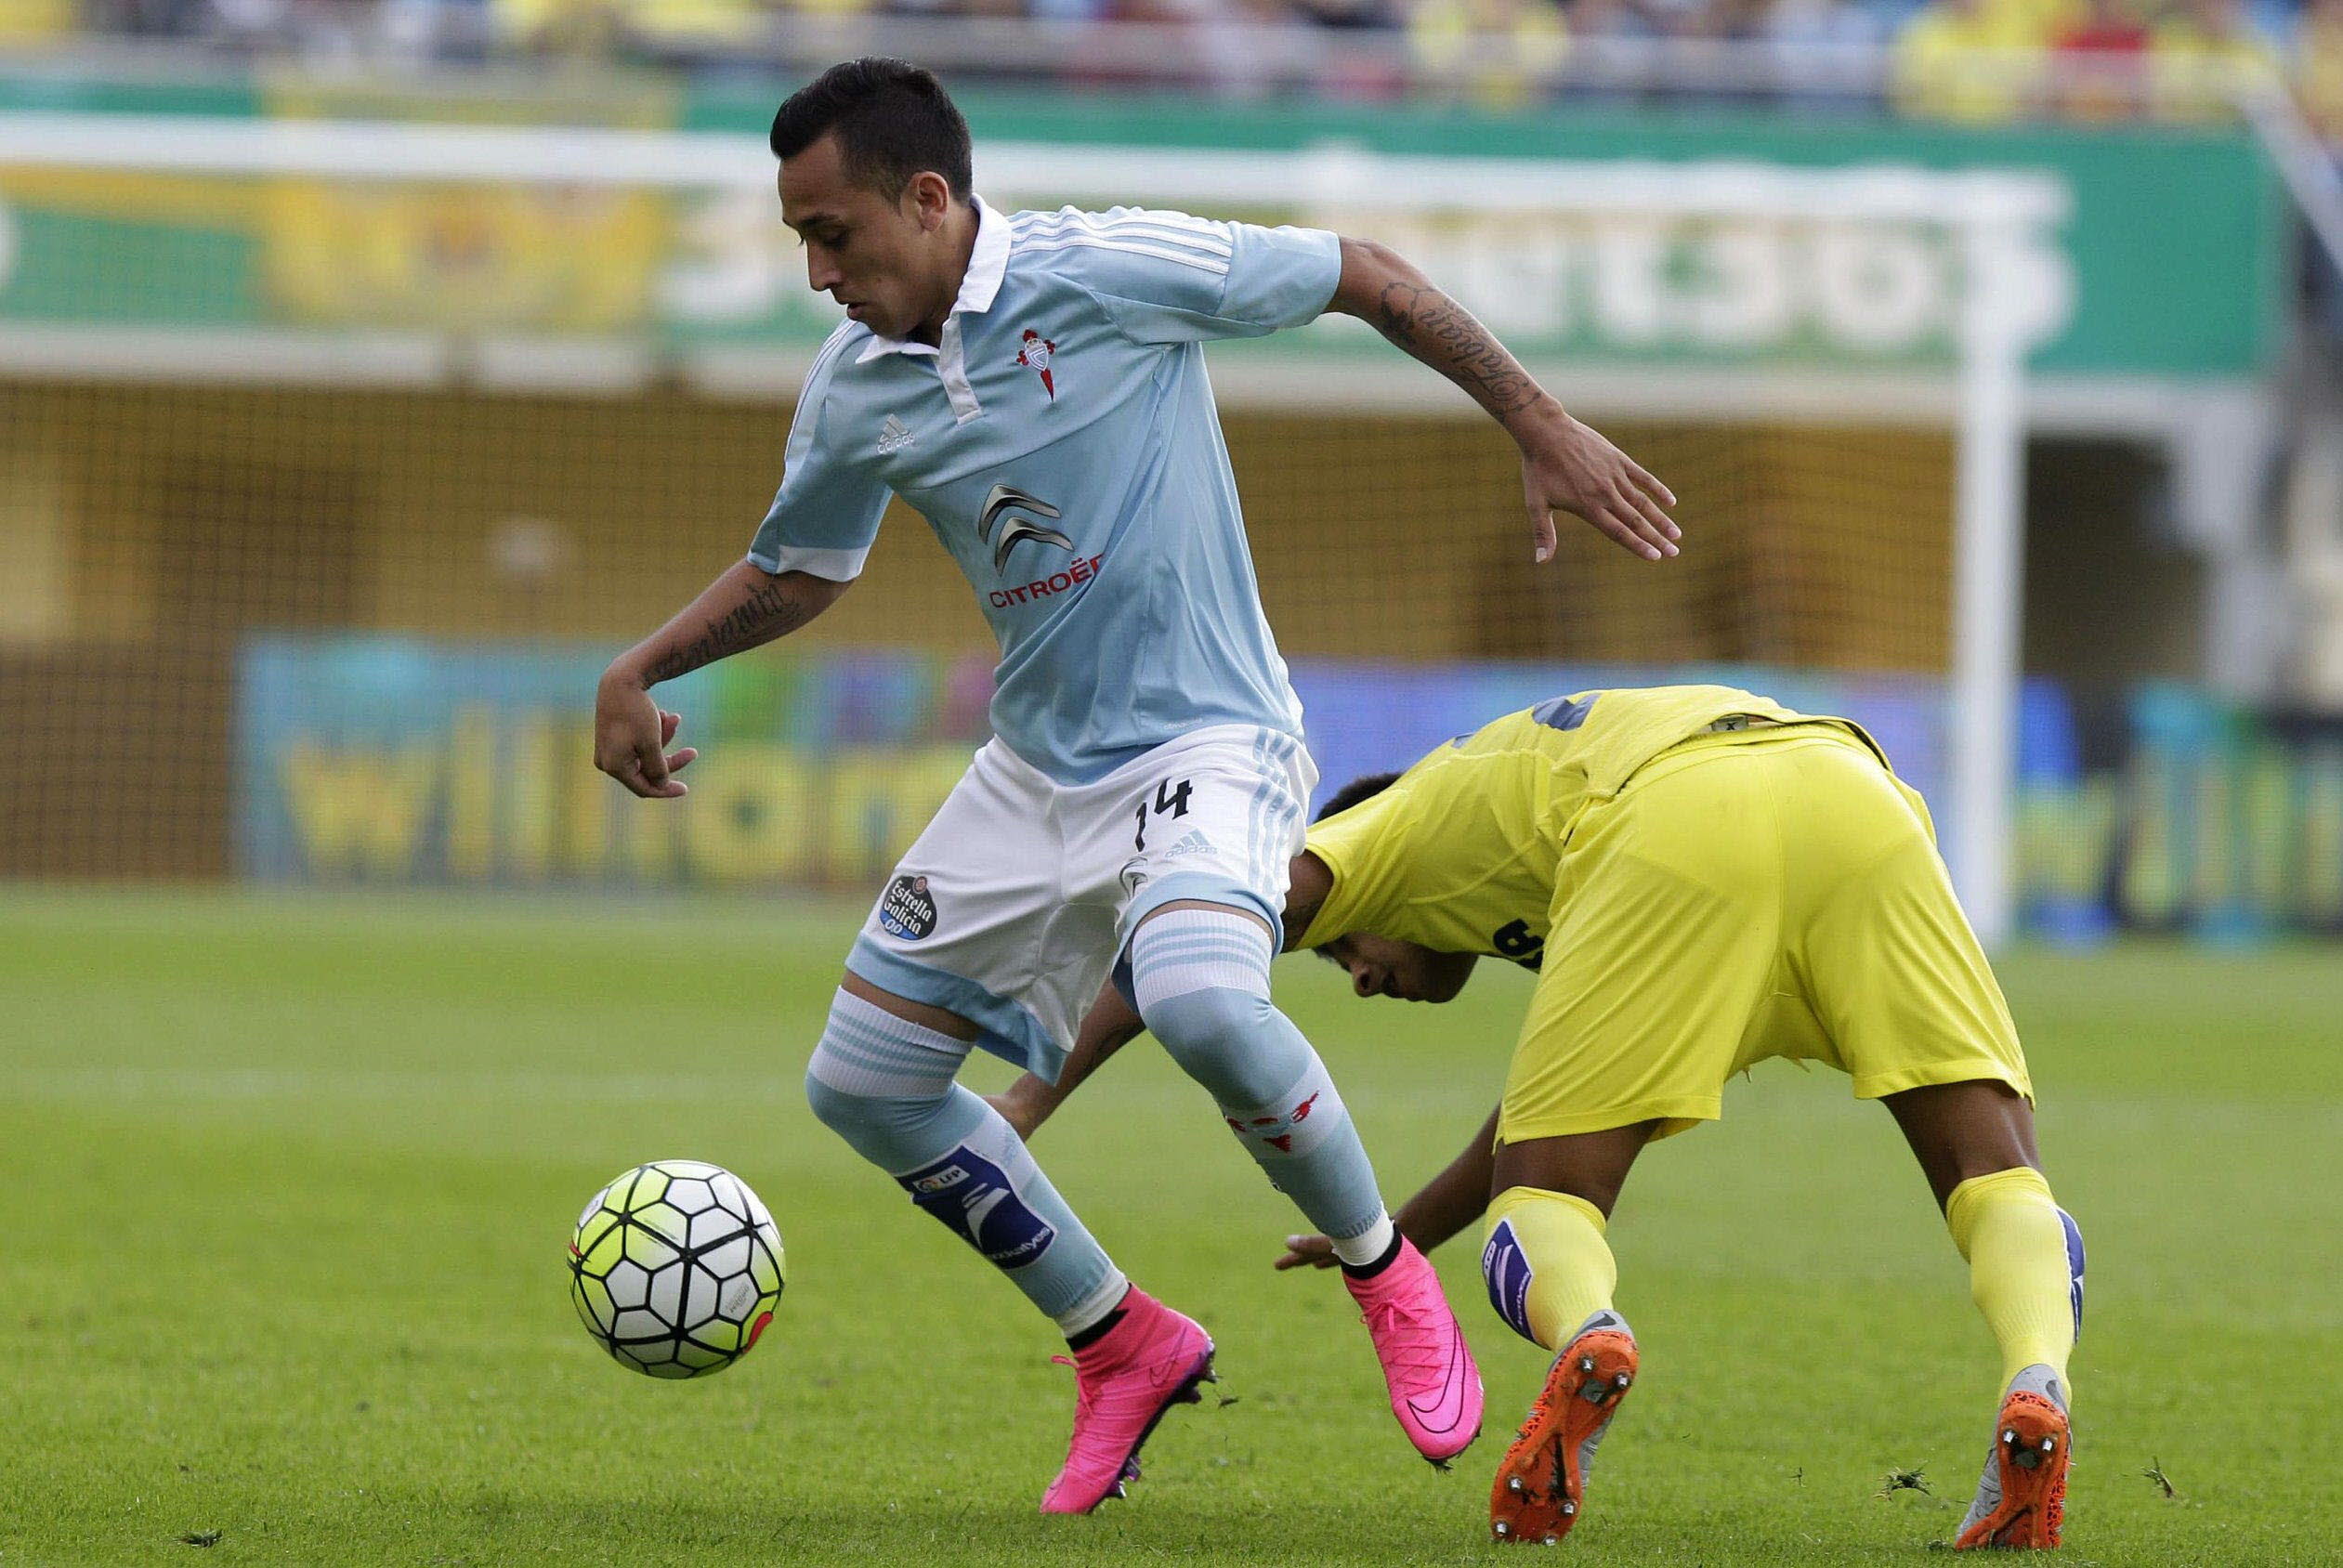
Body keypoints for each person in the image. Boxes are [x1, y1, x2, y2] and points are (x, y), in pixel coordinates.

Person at [590, 59, 1682, 1514]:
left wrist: (1532, 419)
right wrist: (643, 665)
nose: (815, 272)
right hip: (1035, 770)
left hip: (1211, 738)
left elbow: (1362, 274)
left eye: (833, 233)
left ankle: (1385, 1271)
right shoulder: (855, 391)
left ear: (928, 200)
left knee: (1203, 998)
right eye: (798, 240)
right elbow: (801, 566)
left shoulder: (1104, 266)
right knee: (863, 1086)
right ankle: (1121, 1340)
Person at [992, 685, 2085, 1548]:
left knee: (1550, 1198)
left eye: (1346, 958)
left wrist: (1029, 1093)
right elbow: (1523, 1115)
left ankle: (1589, 1332)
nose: (1360, 978)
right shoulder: (1508, 828)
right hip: (1855, 795)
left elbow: (1187, 937)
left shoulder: (1379, 827)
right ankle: (2035, 1376)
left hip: (1677, 811)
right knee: (1992, 1172)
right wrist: (1387, 1240)